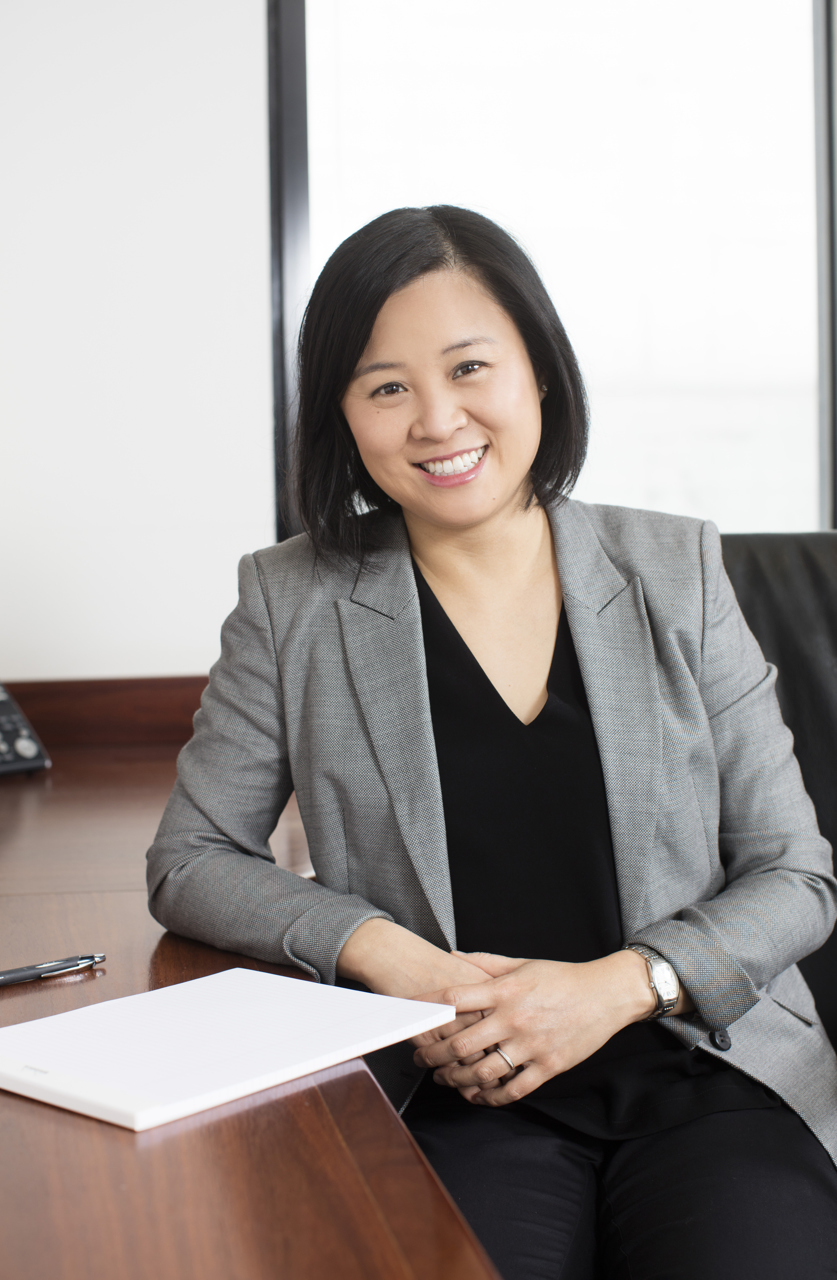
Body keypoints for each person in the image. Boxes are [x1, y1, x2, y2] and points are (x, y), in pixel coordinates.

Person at [147, 206, 837, 1279]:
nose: (436, 419)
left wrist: (624, 983)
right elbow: (191, 860)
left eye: (471, 366)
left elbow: (796, 875)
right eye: (385, 386)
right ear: (341, 414)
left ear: (539, 374)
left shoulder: (676, 569)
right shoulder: (292, 601)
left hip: (705, 1069)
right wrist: (384, 950)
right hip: (459, 1087)